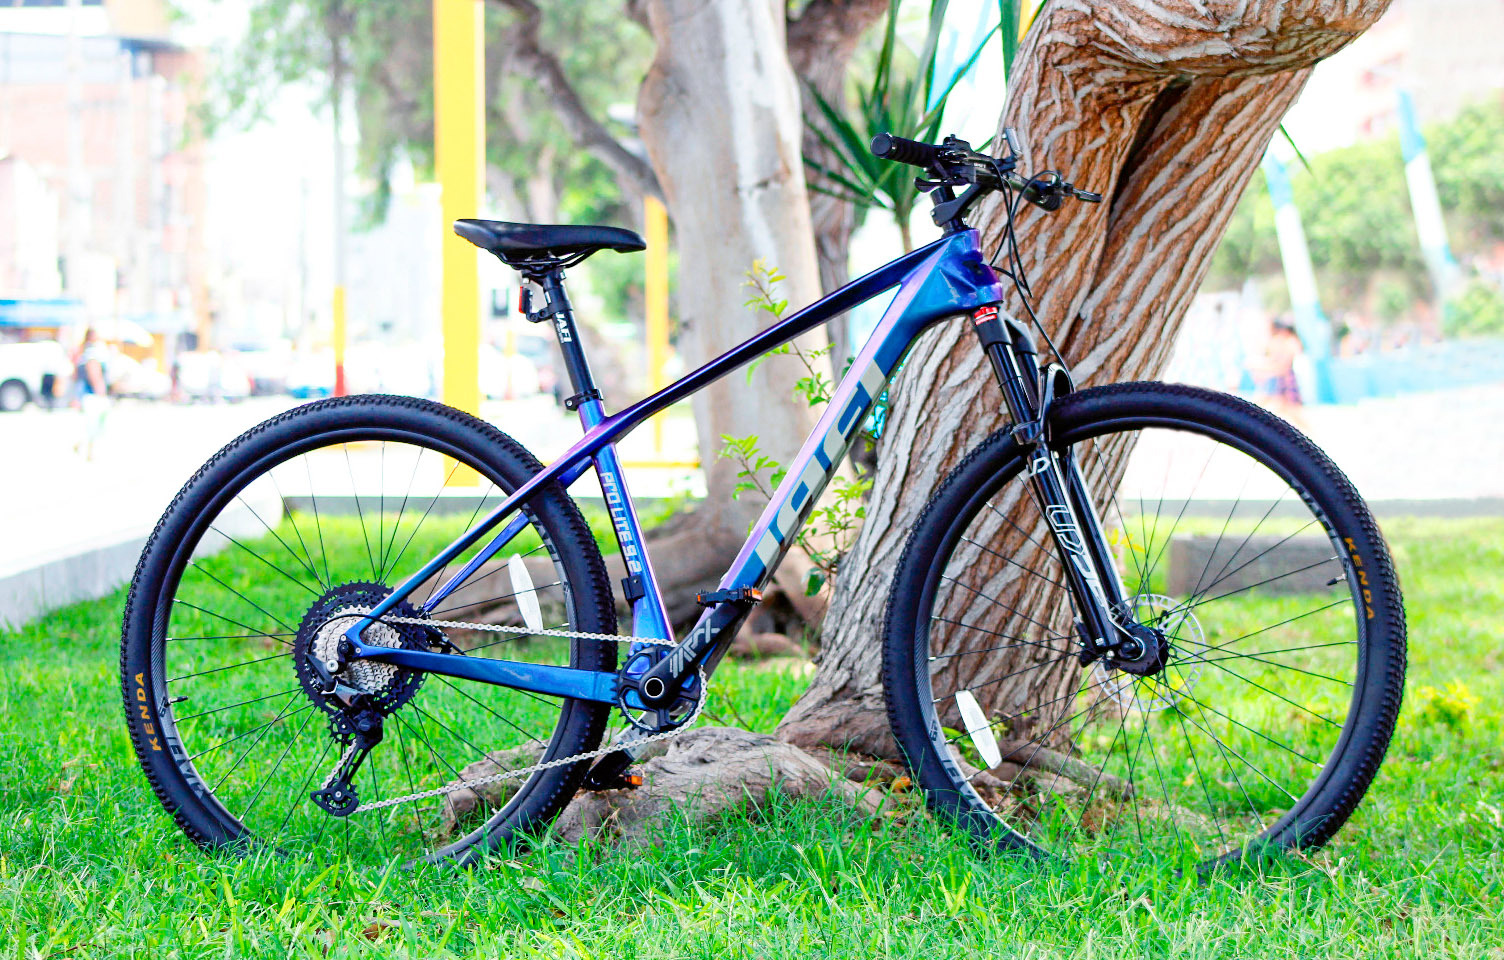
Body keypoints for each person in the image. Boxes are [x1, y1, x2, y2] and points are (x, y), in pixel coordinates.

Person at [73, 328, 110, 459]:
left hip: (84, 393)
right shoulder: (93, 352)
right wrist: (100, 389)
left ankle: (80, 445)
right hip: (93, 393)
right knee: (94, 423)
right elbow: (94, 371)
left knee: (91, 422)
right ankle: (89, 452)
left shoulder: (83, 351)